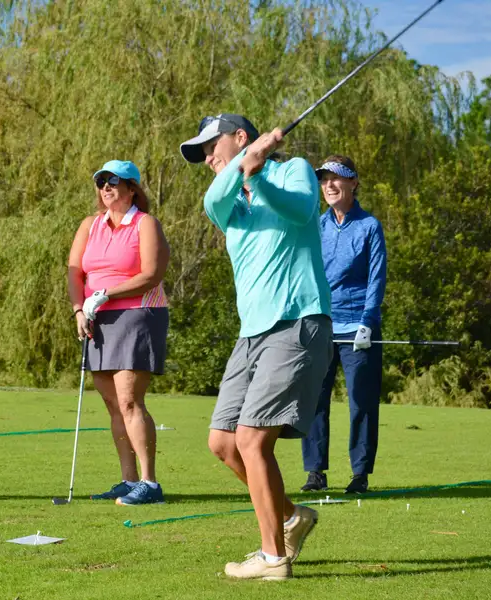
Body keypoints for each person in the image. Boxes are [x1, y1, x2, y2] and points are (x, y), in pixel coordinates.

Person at [180, 114, 333, 580]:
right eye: (204, 153)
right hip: (251, 334)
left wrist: (258, 173)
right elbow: (211, 199)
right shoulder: (226, 201)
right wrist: (246, 163)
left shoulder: (293, 171)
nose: (208, 158)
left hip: (297, 321)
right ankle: (291, 517)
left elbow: (301, 210)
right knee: (224, 442)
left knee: (251, 439)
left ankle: (273, 558)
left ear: (240, 136)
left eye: (212, 146)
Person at [67, 160, 170, 506]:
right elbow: (75, 272)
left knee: (129, 400)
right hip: (97, 318)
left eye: (113, 181)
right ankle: (129, 480)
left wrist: (106, 294)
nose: (106, 187)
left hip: (138, 314)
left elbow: (151, 274)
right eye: (101, 182)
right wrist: (79, 309)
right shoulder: (90, 225)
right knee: (113, 404)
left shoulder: (145, 223)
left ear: (132, 188)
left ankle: (149, 483)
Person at [299, 156, 386, 495]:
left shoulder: (369, 226)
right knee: (313, 401)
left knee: (361, 402)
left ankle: (360, 474)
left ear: (354, 183)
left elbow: (376, 278)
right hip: (321, 324)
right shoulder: (316, 225)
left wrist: (368, 321)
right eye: (324, 180)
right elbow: (305, 273)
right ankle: (315, 472)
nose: (330, 185)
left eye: (337, 178)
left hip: (358, 328)